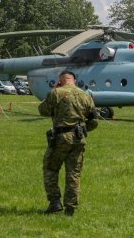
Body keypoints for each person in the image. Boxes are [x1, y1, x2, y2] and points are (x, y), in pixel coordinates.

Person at [38, 70, 98, 216]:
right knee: (73, 174)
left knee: (50, 169)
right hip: (78, 139)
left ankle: (55, 203)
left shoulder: (56, 93)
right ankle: (70, 209)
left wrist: (54, 90)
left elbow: (43, 110)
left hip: (60, 138)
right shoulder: (86, 95)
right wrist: (82, 130)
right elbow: (94, 121)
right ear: (74, 80)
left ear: (61, 80)